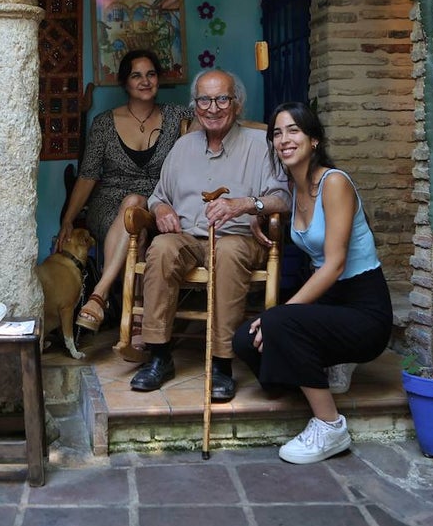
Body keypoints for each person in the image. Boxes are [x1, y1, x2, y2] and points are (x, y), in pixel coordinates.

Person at [233, 101, 393, 464]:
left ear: (314, 139)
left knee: (276, 323)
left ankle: (330, 425)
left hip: (364, 309)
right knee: (245, 341)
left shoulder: (334, 183)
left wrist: (284, 315)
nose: (284, 139)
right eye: (277, 133)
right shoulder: (294, 189)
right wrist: (259, 212)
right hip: (330, 306)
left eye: (294, 131)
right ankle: (320, 371)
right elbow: (276, 204)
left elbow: (334, 265)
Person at [128, 69, 289, 402]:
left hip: (240, 240)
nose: (212, 108)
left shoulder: (260, 145)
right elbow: (159, 195)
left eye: (221, 99)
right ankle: (158, 355)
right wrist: (161, 210)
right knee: (160, 247)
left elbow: (283, 198)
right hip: (189, 239)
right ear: (195, 105)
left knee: (227, 253)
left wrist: (246, 204)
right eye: (204, 99)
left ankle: (221, 363)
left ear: (237, 104)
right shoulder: (183, 147)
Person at [58, 49, 194, 335]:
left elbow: (215, 127)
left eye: (151, 74)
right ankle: (138, 319)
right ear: (125, 83)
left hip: (161, 202)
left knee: (139, 215)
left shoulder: (179, 116)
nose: (145, 81)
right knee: (134, 217)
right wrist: (68, 219)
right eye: (136, 75)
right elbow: (87, 176)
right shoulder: (105, 123)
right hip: (110, 202)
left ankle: (102, 297)